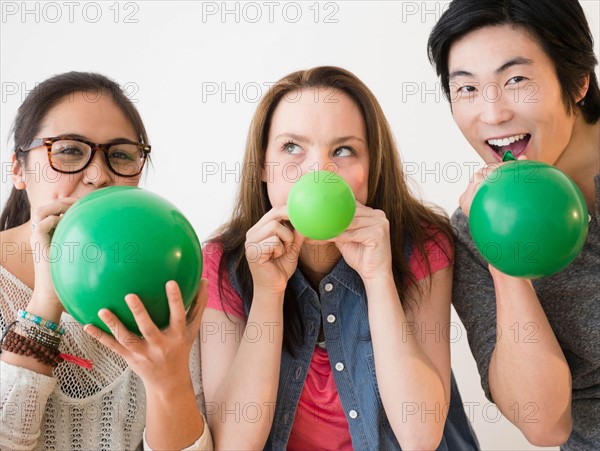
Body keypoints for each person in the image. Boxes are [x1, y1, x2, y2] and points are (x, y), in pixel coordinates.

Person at [200, 66, 479, 450]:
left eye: (343, 150)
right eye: (292, 147)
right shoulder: (221, 263)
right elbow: (233, 444)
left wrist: (379, 278)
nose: (318, 171)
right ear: (263, 165)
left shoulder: (424, 244)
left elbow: (421, 435)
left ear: (371, 169)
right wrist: (268, 294)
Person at [0, 71, 212, 450]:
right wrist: (47, 301)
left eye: (120, 156)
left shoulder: (163, 280)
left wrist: (169, 382)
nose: (98, 175)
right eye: (68, 150)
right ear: (18, 168)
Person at [427, 0, 599, 449]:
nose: (492, 113)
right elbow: (544, 424)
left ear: (578, 80)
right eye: (466, 89)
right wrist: (501, 251)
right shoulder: (470, 233)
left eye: (516, 80)